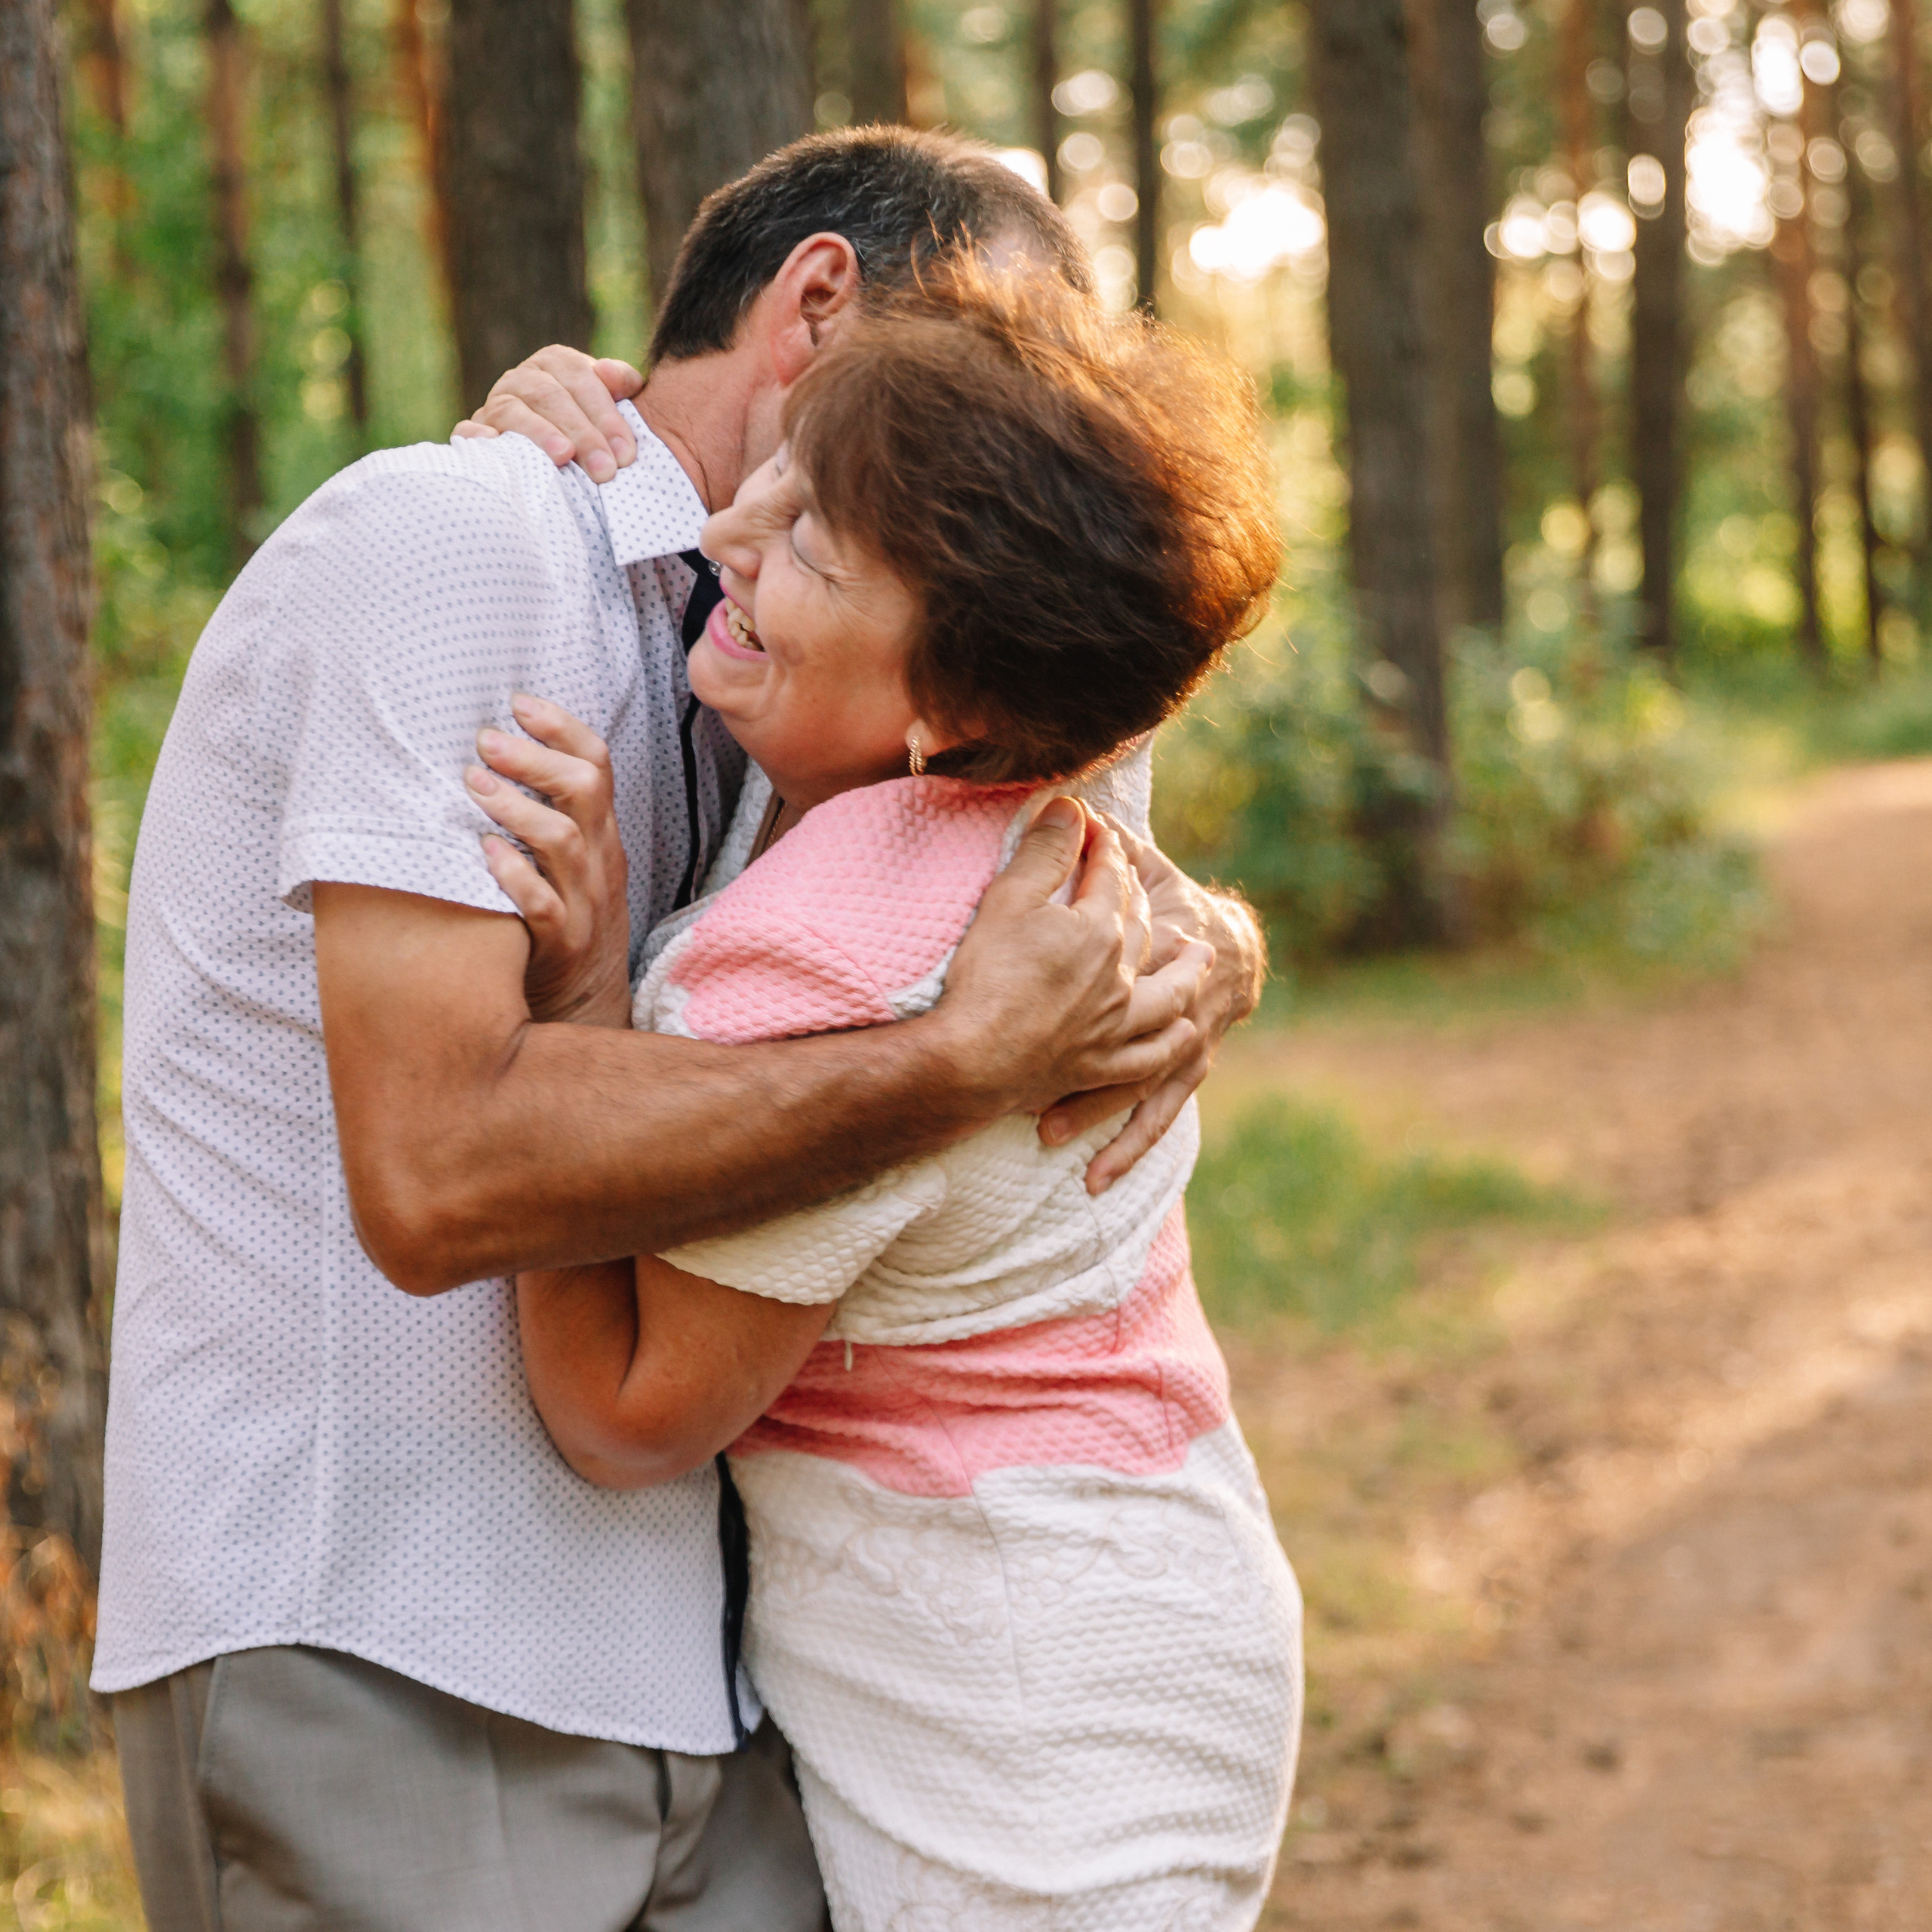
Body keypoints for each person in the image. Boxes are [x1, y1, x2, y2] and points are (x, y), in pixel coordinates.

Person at [95, 126, 1265, 1932]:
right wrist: (953, 1065)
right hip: (394, 1639)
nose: (1026, 428)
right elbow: (441, 1167)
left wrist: (1214, 938)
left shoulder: (846, 683)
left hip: (726, 1691)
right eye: (982, 355)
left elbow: (1069, 848)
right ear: (822, 304)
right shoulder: (463, 540)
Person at [481, 266, 1303, 1929]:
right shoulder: (1015, 806)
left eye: (805, 550)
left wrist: (568, 994)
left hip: (1016, 1686)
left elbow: (629, 1409)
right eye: (771, 488)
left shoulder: (824, 965)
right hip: (1136, 1586)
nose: (726, 542)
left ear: (946, 708)